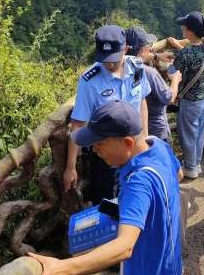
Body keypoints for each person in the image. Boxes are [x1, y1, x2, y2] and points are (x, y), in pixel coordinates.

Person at [30, 100, 183, 275]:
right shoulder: (158, 145)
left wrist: (63, 267)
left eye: (99, 143)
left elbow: (124, 247)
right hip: (170, 260)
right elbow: (178, 176)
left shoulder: (138, 181)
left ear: (127, 143)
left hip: (147, 267)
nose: (94, 149)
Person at [63, 25, 151, 205]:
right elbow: (78, 124)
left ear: (125, 49)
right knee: (108, 204)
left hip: (134, 148)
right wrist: (70, 167)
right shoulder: (90, 81)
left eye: (114, 59)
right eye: (105, 59)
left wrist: (145, 136)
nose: (109, 64)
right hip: (106, 154)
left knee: (137, 197)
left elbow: (142, 101)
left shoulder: (137, 68)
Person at [166, 11, 204, 179]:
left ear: (190, 31)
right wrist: (178, 48)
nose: (182, 29)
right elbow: (192, 56)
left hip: (190, 101)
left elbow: (173, 72)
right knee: (199, 131)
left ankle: (190, 168)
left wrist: (167, 65)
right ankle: (196, 163)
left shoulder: (186, 54)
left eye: (184, 27)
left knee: (187, 134)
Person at [125, 26, 182, 142]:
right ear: (142, 50)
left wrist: (157, 56)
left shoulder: (119, 69)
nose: (150, 49)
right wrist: (175, 80)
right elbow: (168, 98)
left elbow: (139, 58)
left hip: (131, 131)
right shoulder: (149, 73)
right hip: (156, 133)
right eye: (148, 47)